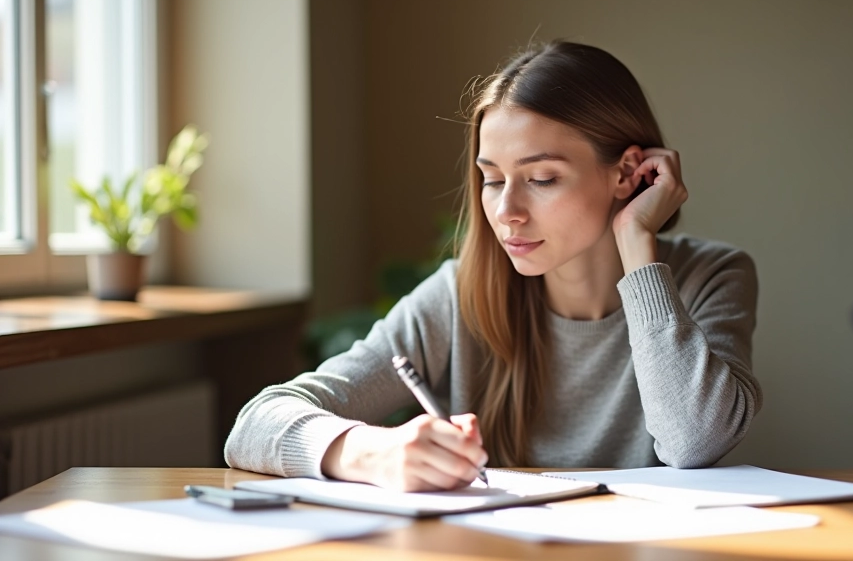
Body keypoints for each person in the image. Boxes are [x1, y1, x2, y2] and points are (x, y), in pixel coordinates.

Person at [225, 41, 762, 492]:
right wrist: (373, 453)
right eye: (492, 178)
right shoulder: (461, 295)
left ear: (627, 173)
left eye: (542, 178)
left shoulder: (712, 277)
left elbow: (694, 442)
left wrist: (636, 243)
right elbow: (255, 425)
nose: (506, 212)